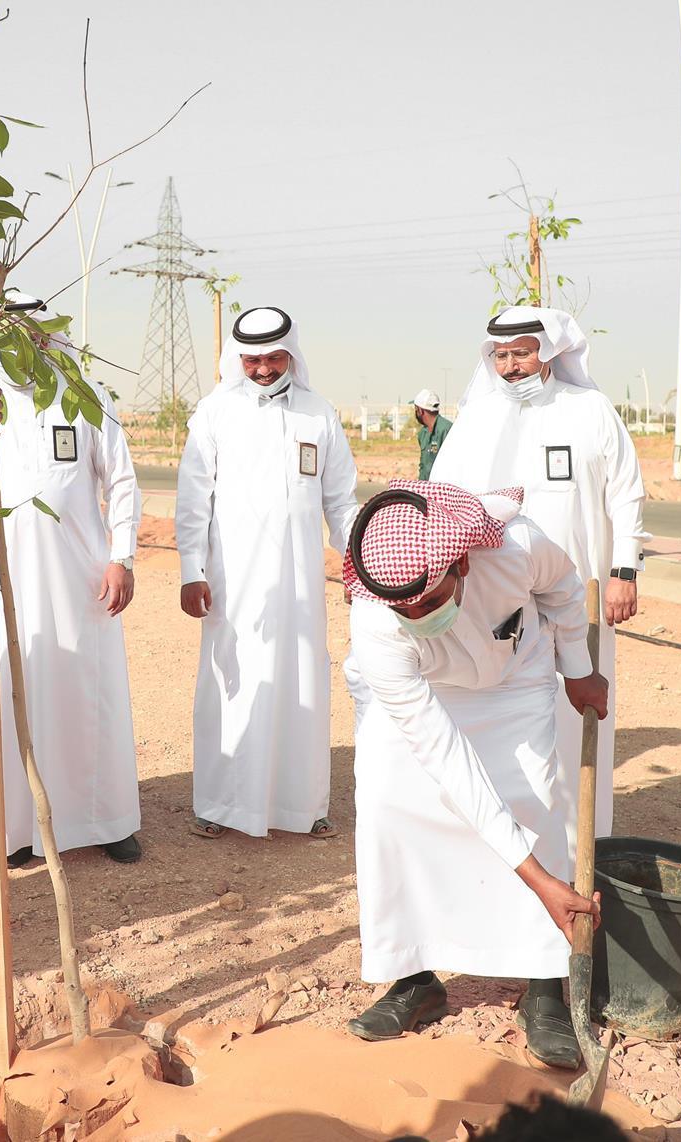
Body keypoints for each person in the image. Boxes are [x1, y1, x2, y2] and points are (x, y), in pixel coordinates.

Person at [342, 480, 604, 1068]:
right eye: (405, 610)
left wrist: (578, 669)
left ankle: (543, 987)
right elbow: (443, 756)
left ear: (461, 562)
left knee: (532, 800)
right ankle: (413, 979)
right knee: (389, 806)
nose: (418, 616)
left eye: (430, 603)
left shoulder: (515, 547)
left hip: (513, 681)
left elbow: (563, 590)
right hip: (424, 691)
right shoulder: (378, 622)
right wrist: (536, 879)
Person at [435, 306, 647, 840]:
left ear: (548, 351)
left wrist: (626, 570)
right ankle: (510, 839)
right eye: (501, 356)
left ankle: (581, 842)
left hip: (581, 590)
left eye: (522, 353)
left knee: (579, 709)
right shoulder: (475, 421)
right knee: (504, 717)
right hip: (496, 600)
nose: (511, 366)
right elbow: (441, 502)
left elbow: (626, 493)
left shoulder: (591, 409)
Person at [0, 332, 144, 865]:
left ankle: (104, 819)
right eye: (9, 339)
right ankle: (15, 831)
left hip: (82, 579)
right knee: (10, 687)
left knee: (87, 692)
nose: (21, 349)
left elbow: (121, 481)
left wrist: (121, 557)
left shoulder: (84, 394)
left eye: (33, 337)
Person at [175, 306, 359, 840]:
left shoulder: (318, 414)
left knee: (302, 679)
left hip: (300, 584)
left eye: (275, 358)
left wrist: (355, 566)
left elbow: (341, 501)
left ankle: (302, 806)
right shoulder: (213, 412)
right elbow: (192, 500)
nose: (263, 369)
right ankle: (219, 803)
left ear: (292, 355)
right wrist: (192, 568)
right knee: (230, 681)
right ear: (238, 358)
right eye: (252, 359)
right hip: (233, 580)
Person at [412, 388, 450, 479]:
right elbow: (423, 465)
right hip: (426, 488)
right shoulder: (422, 434)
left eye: (416, 409)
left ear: (420, 411)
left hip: (442, 487)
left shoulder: (446, 430)